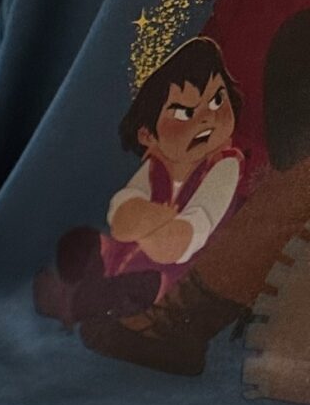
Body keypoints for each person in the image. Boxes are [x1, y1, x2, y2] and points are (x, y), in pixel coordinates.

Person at [35, 39, 244, 328]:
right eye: (185, 113)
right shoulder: (156, 165)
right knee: (81, 241)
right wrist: (149, 218)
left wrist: (157, 229)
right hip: (119, 254)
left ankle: (79, 303)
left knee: (141, 286)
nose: (208, 118)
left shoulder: (224, 166)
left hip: (168, 274)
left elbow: (191, 231)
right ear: (148, 135)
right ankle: (80, 287)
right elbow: (122, 215)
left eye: (217, 100)